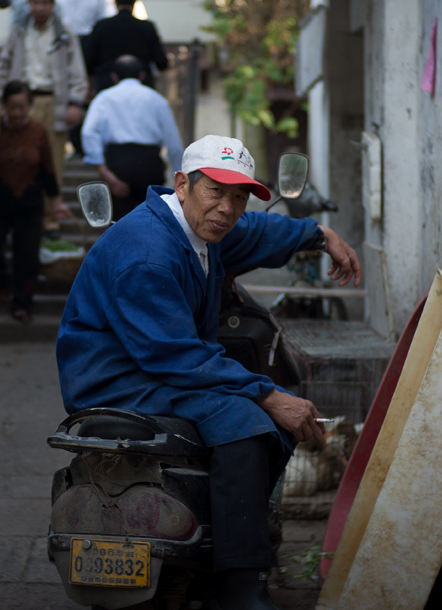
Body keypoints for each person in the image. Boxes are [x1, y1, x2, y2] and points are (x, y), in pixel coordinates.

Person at [56, 135, 361, 610]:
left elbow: (257, 232)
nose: (226, 208)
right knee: (246, 421)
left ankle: (211, 552)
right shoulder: (148, 253)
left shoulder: (198, 229)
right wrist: (268, 395)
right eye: (214, 191)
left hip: (149, 365)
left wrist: (319, 236)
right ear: (182, 184)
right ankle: (239, 586)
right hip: (118, 379)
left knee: (253, 405)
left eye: (238, 196)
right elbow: (176, 356)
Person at [0, 0, 87, 238]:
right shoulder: (18, 31)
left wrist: (75, 102)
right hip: (22, 101)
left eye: (45, 2)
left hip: (54, 101)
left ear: (53, 5)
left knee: (53, 163)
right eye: (36, 2)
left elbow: (77, 70)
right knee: (19, 158)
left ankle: (50, 221)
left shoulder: (64, 32)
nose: (40, 7)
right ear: (29, 4)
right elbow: (4, 65)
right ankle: (19, 216)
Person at [0, 81, 72, 324]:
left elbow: (48, 170)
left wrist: (56, 202)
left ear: (29, 106)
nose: (17, 113)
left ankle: (22, 305)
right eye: (12, 107)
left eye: (21, 107)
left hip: (30, 205)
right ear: (4, 106)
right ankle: (4, 282)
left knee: (27, 259)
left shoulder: (39, 131)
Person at [82, 55, 183, 220]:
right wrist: (179, 178)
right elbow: (174, 144)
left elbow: (88, 132)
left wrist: (104, 172)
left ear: (114, 76)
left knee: (118, 223)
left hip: (118, 164)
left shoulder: (103, 98)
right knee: (152, 221)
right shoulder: (157, 99)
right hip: (149, 165)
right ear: (142, 75)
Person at [83, 0, 168, 92]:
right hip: (141, 86)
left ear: (115, 2)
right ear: (134, 2)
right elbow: (162, 63)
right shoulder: (147, 27)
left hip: (108, 85)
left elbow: (88, 60)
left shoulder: (102, 26)